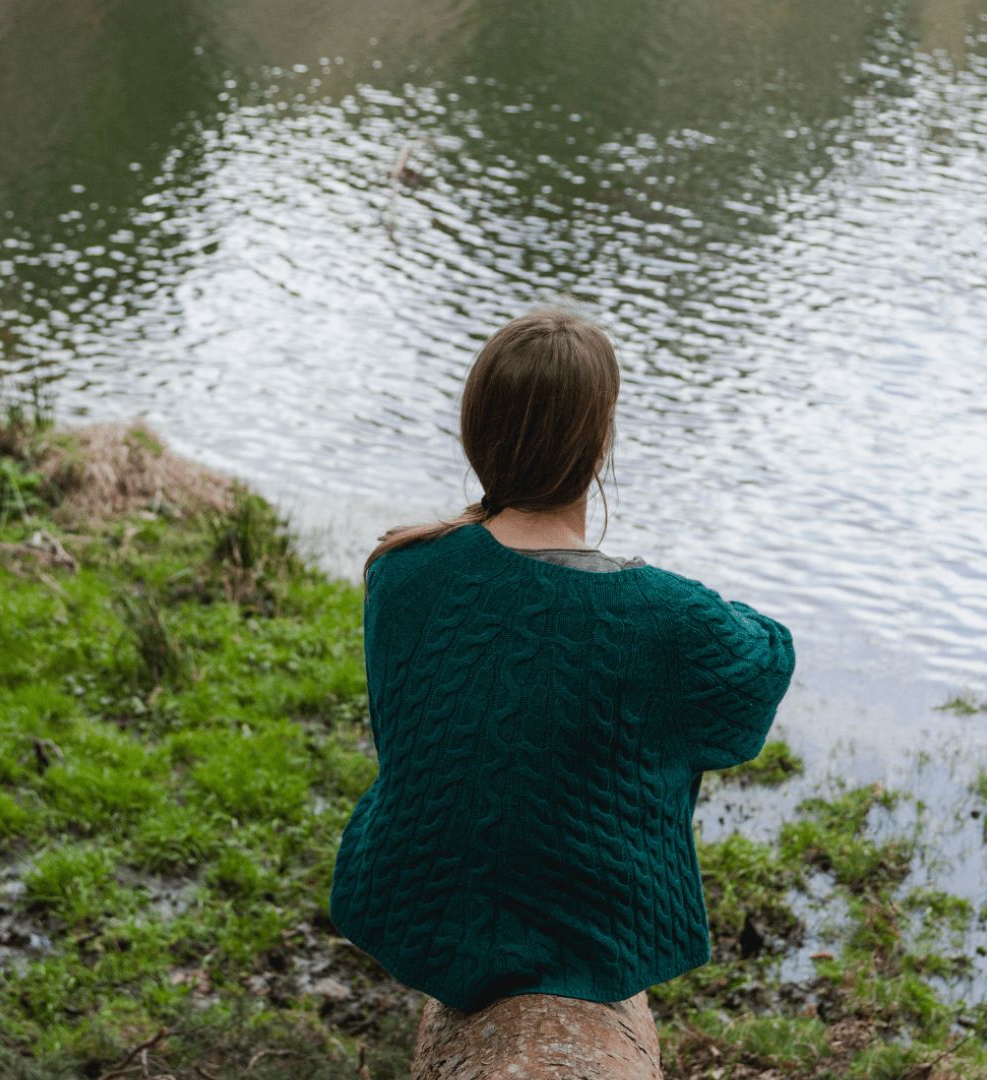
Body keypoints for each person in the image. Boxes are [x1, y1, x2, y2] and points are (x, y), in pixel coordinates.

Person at [327, 307, 797, 1023]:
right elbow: (764, 662)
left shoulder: (401, 569)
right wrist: (681, 601)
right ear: (598, 442)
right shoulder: (665, 615)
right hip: (591, 934)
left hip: (413, 904)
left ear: (476, 429)